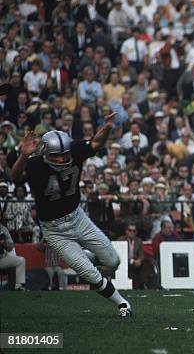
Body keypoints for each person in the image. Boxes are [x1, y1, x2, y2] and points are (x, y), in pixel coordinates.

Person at [10, 116, 132, 317]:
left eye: (64, 155)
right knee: (89, 273)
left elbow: (96, 142)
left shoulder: (74, 150)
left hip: (77, 218)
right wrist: (23, 156)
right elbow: (14, 177)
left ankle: (88, 256)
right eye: (56, 156)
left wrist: (107, 128)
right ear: (46, 153)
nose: (61, 159)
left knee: (113, 262)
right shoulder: (35, 164)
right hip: (54, 230)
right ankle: (122, 304)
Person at [117, 224, 146, 289]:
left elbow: (141, 254)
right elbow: (120, 254)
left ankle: (143, 284)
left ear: (136, 232)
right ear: (126, 231)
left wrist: (139, 260)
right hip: (124, 261)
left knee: (145, 263)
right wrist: (132, 261)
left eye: (134, 231)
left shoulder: (139, 241)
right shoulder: (120, 240)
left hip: (135, 260)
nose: (132, 232)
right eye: (130, 230)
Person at [0, 223, 27, 290]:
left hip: (1, 258)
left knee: (21, 260)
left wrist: (4, 244)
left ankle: (18, 286)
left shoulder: (2, 229)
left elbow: (10, 247)